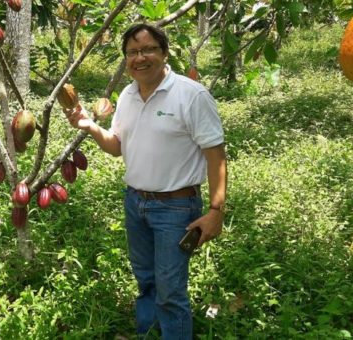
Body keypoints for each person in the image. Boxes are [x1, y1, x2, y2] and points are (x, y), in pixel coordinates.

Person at [66, 23, 227, 338]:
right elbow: (117, 147)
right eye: (132, 52)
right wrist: (89, 126)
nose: (140, 57)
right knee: (146, 279)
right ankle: (148, 332)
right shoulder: (127, 95)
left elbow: (216, 155)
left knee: (170, 291)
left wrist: (216, 210)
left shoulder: (191, 95)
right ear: (126, 59)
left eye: (148, 49)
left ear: (164, 53)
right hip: (136, 202)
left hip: (176, 208)